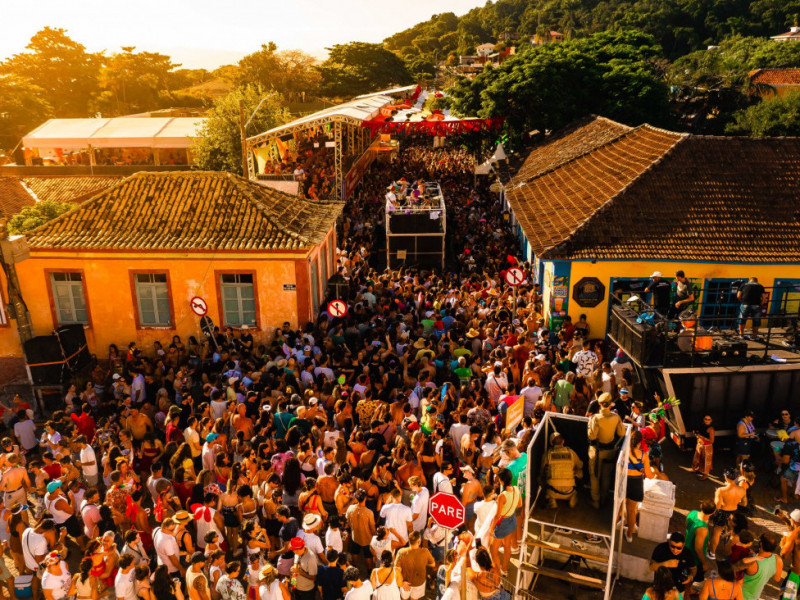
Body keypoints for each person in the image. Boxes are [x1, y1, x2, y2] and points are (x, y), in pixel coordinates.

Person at [587, 393, 625, 509]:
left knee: (594, 477)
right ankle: (603, 500)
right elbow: (622, 433)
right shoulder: (616, 417)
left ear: (599, 403)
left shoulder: (595, 418)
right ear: (610, 404)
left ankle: (596, 501)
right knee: (606, 476)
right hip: (610, 451)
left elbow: (592, 436)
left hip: (596, 451)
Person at [708, 468, 746, 560]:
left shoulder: (721, 490)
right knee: (729, 532)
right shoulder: (742, 490)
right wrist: (735, 502)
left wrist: (716, 495)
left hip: (723, 513)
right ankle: (727, 553)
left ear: (726, 477)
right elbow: (744, 503)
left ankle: (712, 553)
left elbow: (717, 506)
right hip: (733, 513)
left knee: (716, 533)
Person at [626, 430, 656, 543]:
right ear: (639, 442)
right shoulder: (643, 455)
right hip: (636, 483)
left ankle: (614, 529)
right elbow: (649, 475)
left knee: (619, 508)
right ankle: (629, 535)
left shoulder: (624, 452)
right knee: (631, 510)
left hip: (624, 482)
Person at [538, 432, 582, 509]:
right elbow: (580, 465)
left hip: (552, 490)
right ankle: (572, 496)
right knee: (580, 472)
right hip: (569, 491)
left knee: (540, 477)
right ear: (563, 442)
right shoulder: (571, 452)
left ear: (551, 443)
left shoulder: (547, 454)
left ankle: (551, 499)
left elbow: (541, 471)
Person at [736, 532, 782, 600]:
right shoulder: (778, 559)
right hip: (755, 597)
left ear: (761, 543)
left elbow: (734, 569)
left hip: (739, 596)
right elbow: (777, 578)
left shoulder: (751, 560)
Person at [394, 531, 434, 600]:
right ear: (419, 541)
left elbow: (396, 569)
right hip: (419, 583)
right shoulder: (425, 551)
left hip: (405, 583)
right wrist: (423, 562)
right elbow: (433, 564)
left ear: (409, 541)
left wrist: (402, 582)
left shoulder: (401, 552)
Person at [686, 500, 715, 587]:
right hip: (694, 558)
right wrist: (704, 563)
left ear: (701, 506)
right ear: (713, 512)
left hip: (686, 549)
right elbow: (698, 548)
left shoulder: (692, 513)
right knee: (691, 580)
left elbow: (687, 527)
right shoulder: (702, 528)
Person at [693, 416, 715, 480]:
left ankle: (706, 474)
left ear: (711, 420)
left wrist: (703, 438)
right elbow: (696, 432)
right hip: (700, 444)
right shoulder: (702, 425)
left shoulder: (711, 429)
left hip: (707, 447)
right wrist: (696, 434)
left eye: (709, 419)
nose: (707, 420)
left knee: (706, 461)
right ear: (703, 419)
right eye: (706, 419)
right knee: (699, 458)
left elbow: (712, 441)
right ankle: (699, 470)